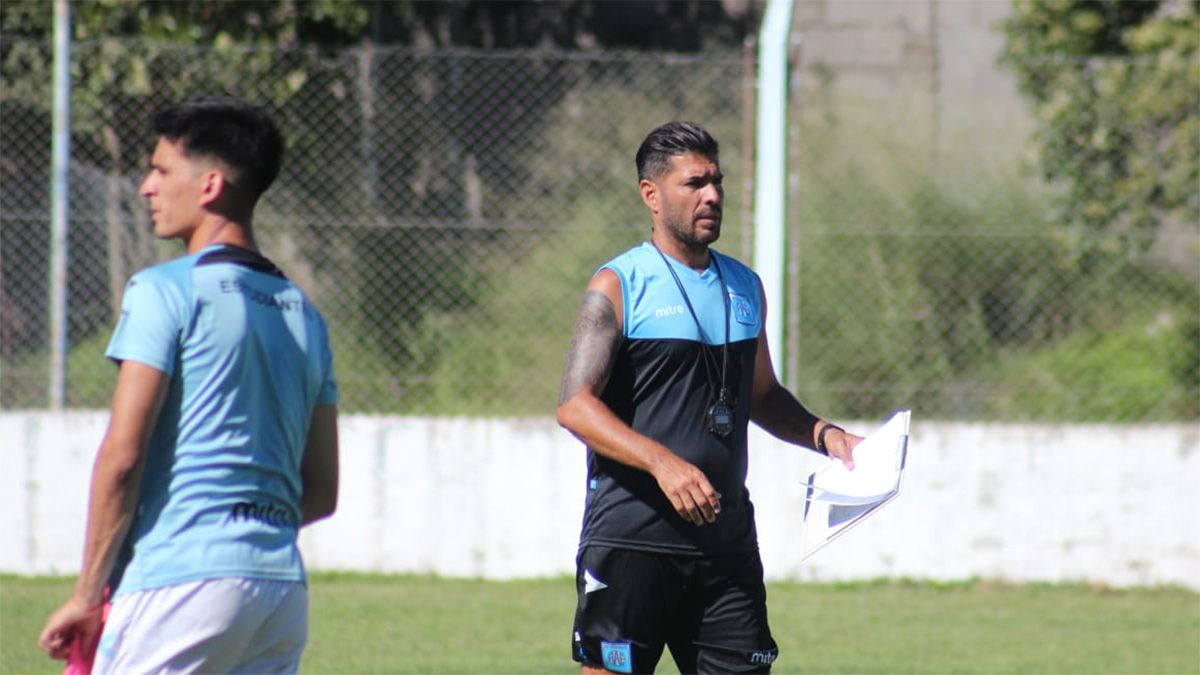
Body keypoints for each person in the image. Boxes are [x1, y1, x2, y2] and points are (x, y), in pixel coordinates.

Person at [37, 97, 339, 674]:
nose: (147, 187)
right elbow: (321, 491)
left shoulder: (164, 291)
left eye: (161, 170)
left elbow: (122, 460)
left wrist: (85, 595)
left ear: (210, 186)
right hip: (278, 590)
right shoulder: (307, 316)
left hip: (178, 584)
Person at [556, 121, 863, 674]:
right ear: (651, 194)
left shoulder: (745, 285)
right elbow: (574, 405)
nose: (713, 196)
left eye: (717, 181)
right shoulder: (619, 286)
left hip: (726, 549)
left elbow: (762, 395)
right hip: (632, 544)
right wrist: (663, 464)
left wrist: (825, 434)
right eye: (694, 183)